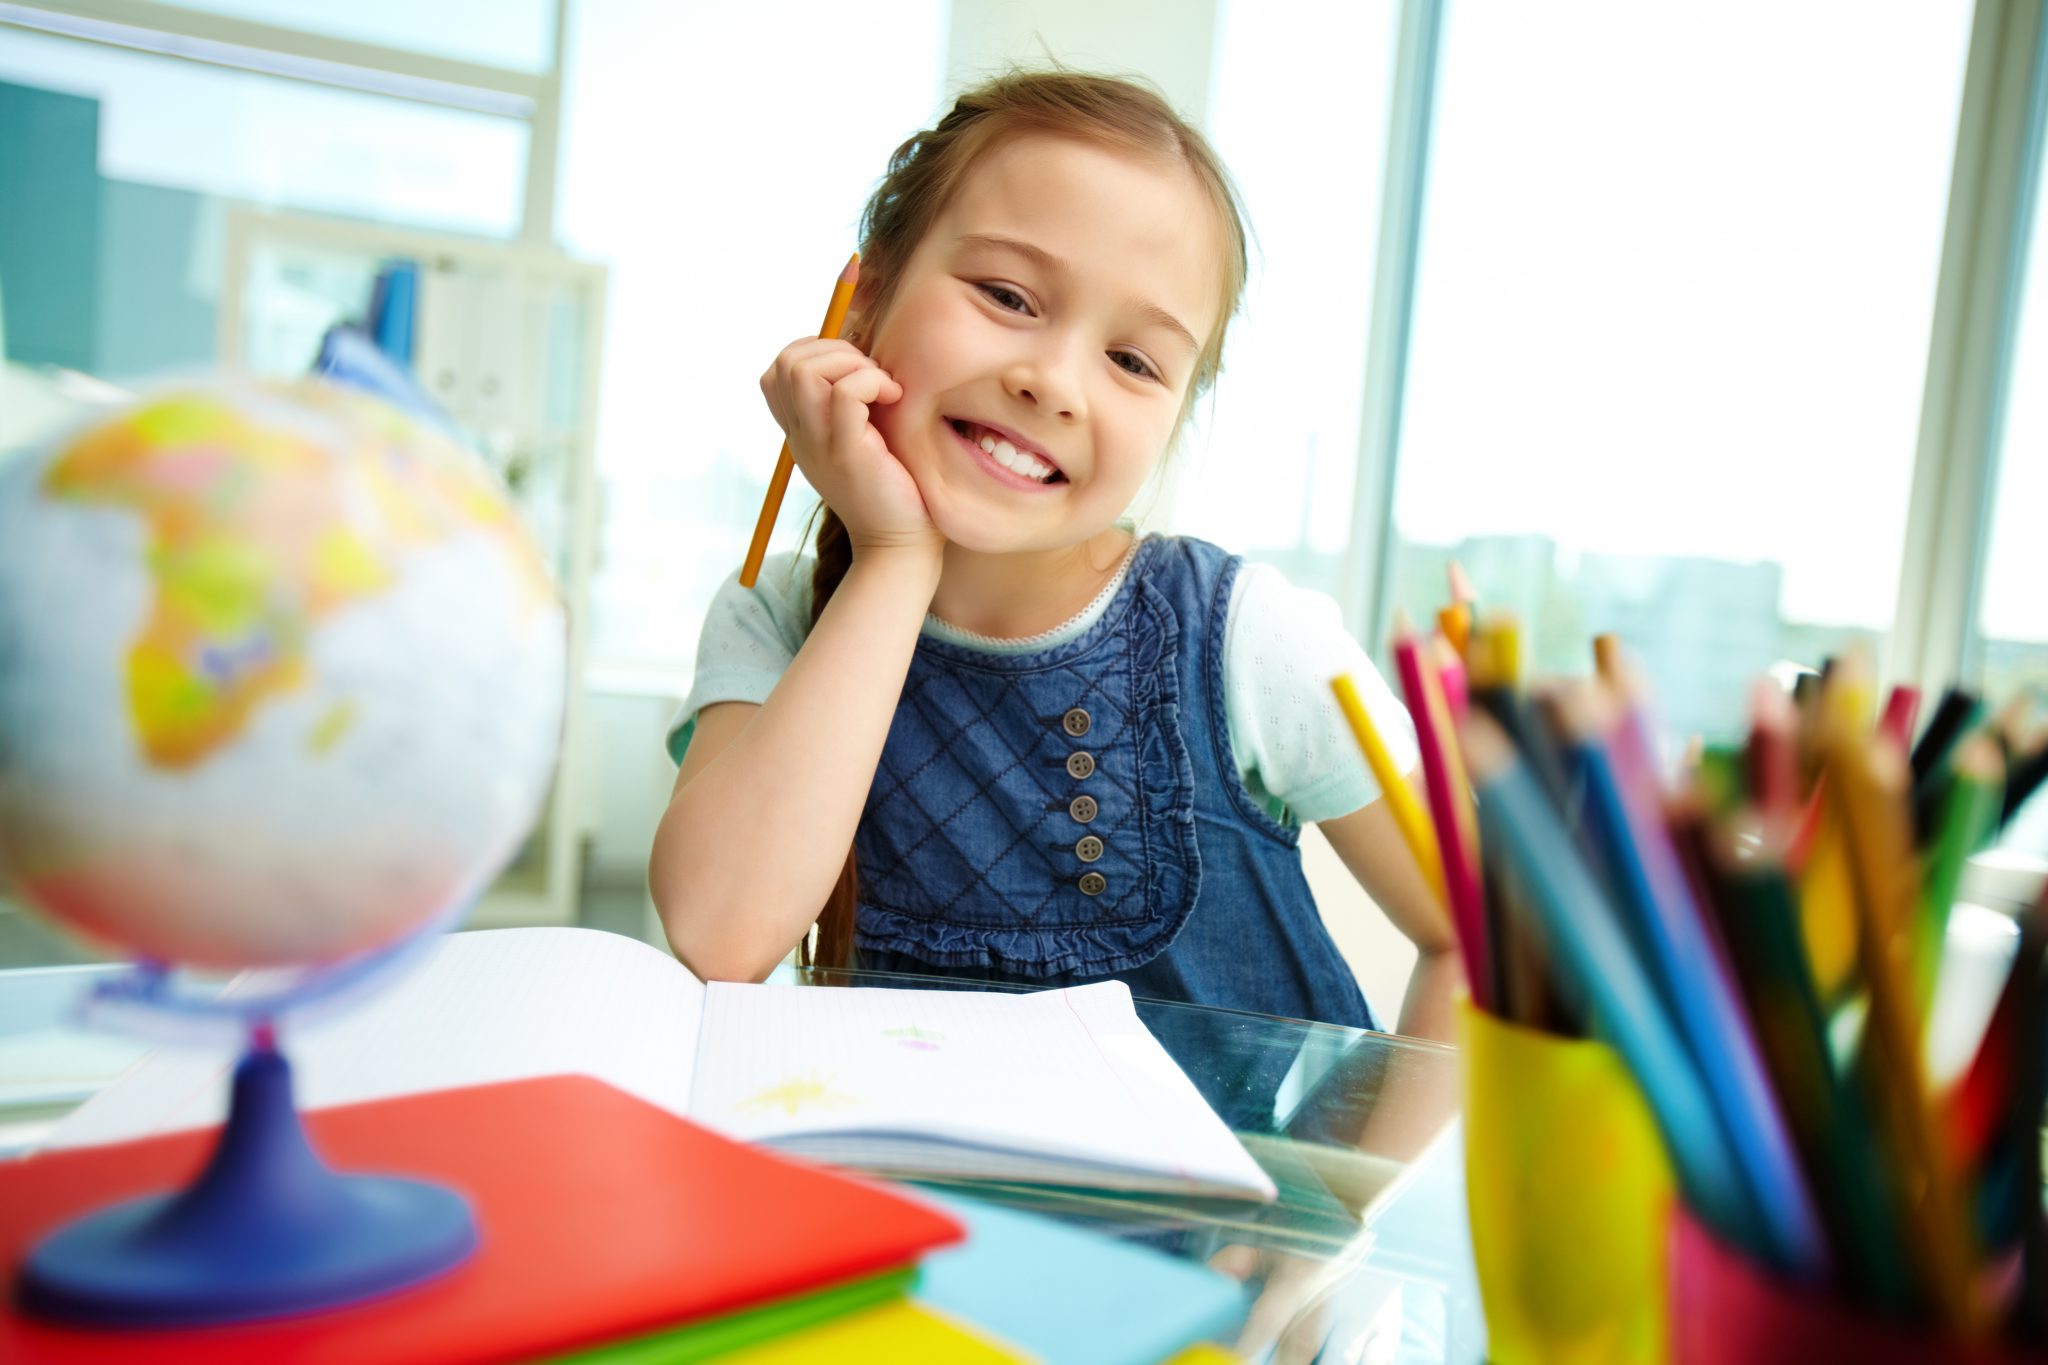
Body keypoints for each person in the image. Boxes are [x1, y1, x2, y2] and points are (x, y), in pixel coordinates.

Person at [650, 70, 1458, 1043]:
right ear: (860, 304)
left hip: (1241, 1196)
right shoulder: (773, 617)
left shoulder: (1247, 639)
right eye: (1006, 295)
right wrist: (894, 558)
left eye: (1132, 361)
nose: (1054, 383)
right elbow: (719, 933)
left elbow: (1475, 945)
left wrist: (1353, 1194)